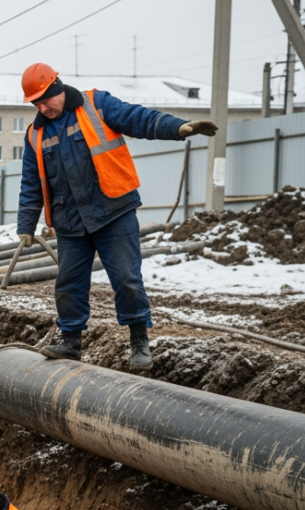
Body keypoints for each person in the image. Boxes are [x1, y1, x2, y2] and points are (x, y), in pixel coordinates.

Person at [17, 63, 218, 371]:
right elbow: (31, 182)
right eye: (36, 103)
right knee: (68, 284)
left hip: (113, 210)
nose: (43, 107)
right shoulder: (35, 134)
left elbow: (137, 118)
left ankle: (139, 340)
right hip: (70, 220)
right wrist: (26, 225)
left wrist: (177, 128)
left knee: (127, 279)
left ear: (58, 86)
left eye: (46, 99)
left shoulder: (95, 104)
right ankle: (70, 342)